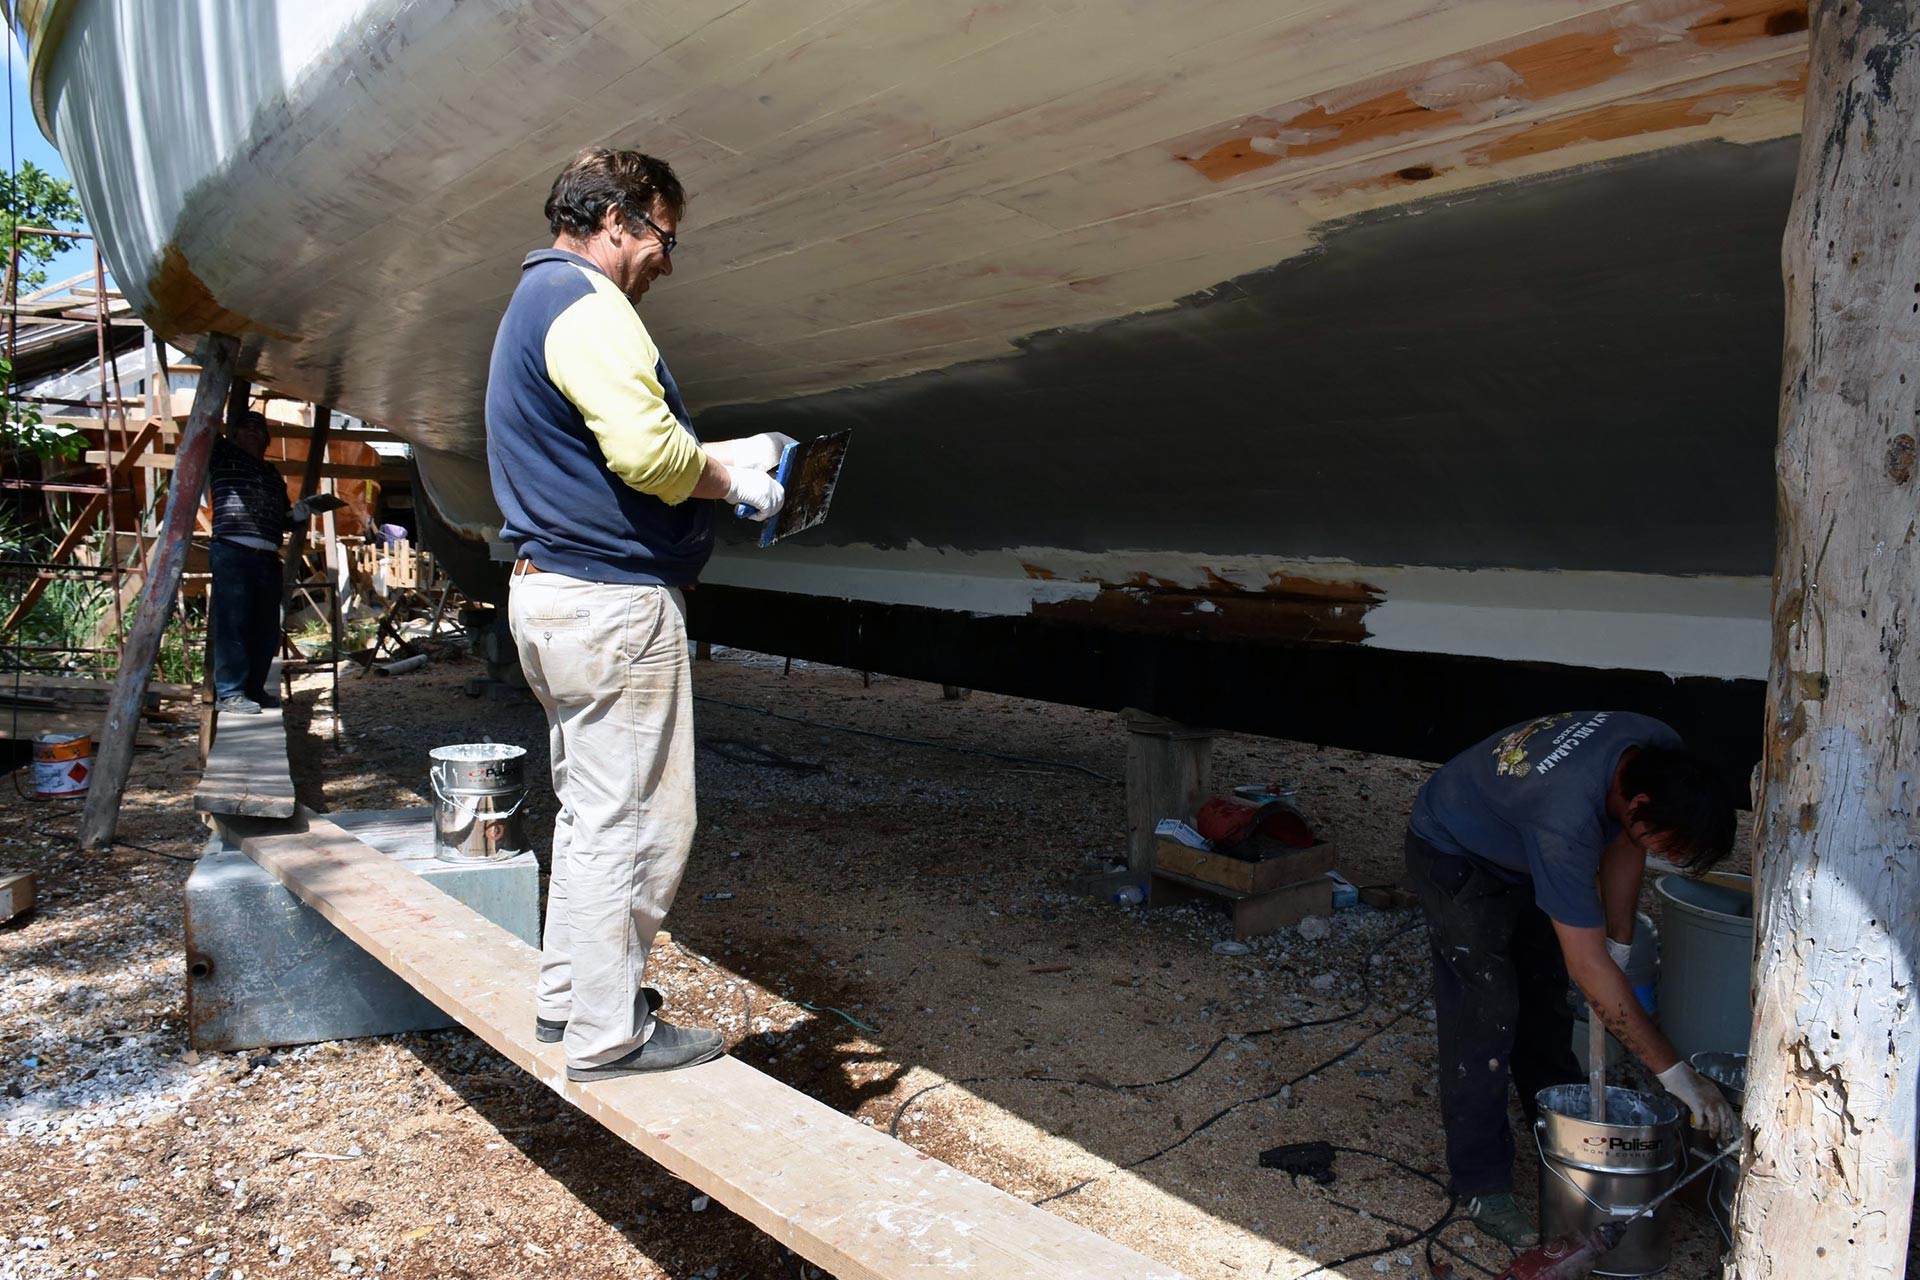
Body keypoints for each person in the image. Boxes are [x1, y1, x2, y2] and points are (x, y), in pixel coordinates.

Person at [484, 147, 791, 1080]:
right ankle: (610, 1034)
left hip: (552, 595)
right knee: (640, 823)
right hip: (610, 609)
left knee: (589, 813)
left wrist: (732, 446)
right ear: (615, 218)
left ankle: (570, 1002)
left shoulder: (533, 302)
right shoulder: (588, 305)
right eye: (663, 234)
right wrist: (735, 479)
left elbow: (601, 444)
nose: (667, 256)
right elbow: (649, 457)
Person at [1403, 710, 1740, 1248]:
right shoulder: (1563, 818)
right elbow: (1589, 969)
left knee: (1545, 1002)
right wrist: (1676, 1075)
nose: (1666, 858)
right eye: (1669, 847)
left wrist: (1619, 941)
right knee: (1486, 1013)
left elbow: (1630, 843)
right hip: (1455, 849)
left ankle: (1559, 1141)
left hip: (1522, 844)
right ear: (1639, 806)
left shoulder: (1656, 751)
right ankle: (1480, 1183)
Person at [208, 410, 325, 714]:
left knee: (265, 627)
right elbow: (206, 430)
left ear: (266, 441)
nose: (252, 434)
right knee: (233, 623)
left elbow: (284, 520)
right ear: (233, 435)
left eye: (259, 431)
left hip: (266, 557)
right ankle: (231, 693)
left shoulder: (272, 476)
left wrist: (299, 513)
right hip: (233, 550)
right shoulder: (223, 457)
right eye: (245, 428)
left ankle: (254, 690)